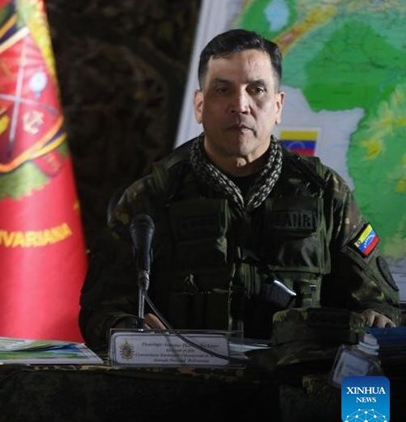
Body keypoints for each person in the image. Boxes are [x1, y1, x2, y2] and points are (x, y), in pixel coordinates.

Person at [79, 28, 401, 349]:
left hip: (294, 387)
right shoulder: (152, 197)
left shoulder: (325, 194)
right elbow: (99, 310)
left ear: (278, 106)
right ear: (200, 105)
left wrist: (375, 319)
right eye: (223, 90)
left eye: (256, 89)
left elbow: (380, 303)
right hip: (187, 388)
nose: (241, 105)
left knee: (373, 397)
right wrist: (127, 329)